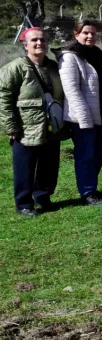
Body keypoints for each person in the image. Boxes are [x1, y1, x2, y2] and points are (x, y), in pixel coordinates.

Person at [0, 28, 64, 216]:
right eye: (34, 40)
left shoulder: (53, 67)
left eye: (43, 40)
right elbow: (3, 97)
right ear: (25, 44)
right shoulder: (15, 67)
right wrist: (11, 127)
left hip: (51, 126)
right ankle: (24, 204)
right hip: (25, 128)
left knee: (49, 165)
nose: (39, 43)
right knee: (25, 168)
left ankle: (43, 198)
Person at [56, 20, 102, 206]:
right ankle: (87, 192)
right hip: (82, 117)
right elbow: (71, 91)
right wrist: (84, 119)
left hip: (99, 113)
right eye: (86, 32)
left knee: (97, 153)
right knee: (86, 155)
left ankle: (91, 187)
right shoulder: (69, 57)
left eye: (93, 33)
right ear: (76, 34)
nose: (90, 36)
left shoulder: (96, 53)